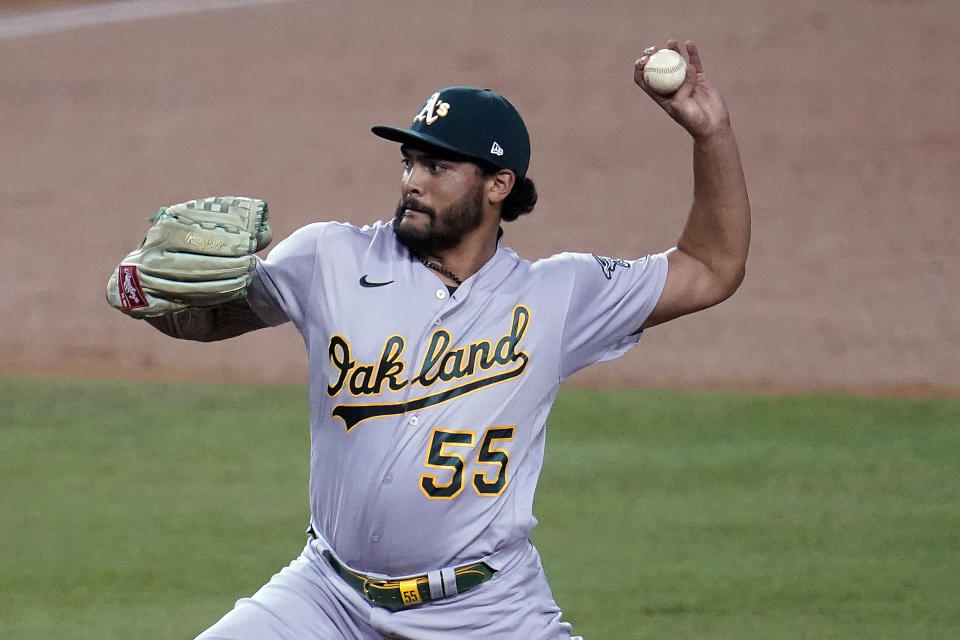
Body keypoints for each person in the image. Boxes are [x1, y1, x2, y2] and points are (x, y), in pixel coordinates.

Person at [109, 39, 750, 639]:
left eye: (438, 164)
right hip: (328, 596)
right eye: (410, 160)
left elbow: (711, 267)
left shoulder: (560, 297)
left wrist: (710, 132)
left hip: (486, 609)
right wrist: (152, 299)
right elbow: (211, 319)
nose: (413, 179)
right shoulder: (330, 255)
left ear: (499, 185)